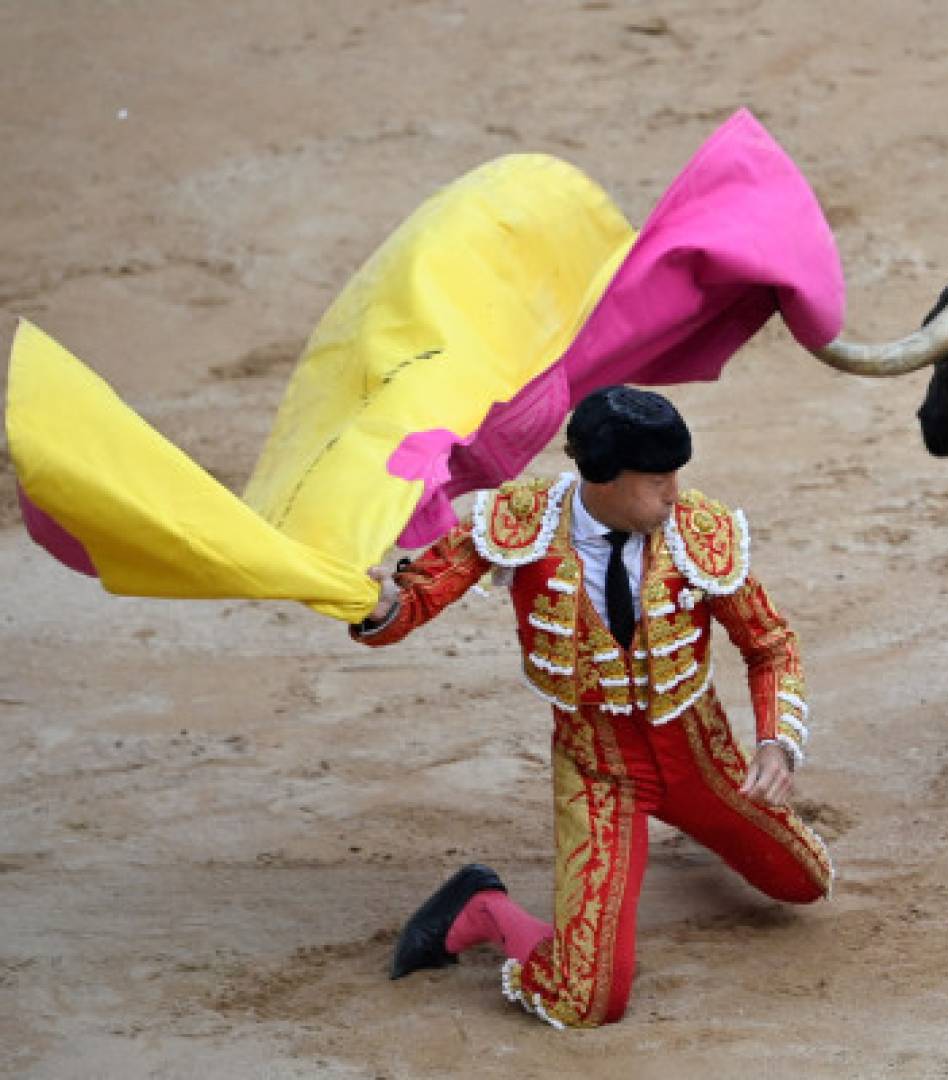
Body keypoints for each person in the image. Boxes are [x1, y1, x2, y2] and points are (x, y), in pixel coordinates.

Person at [353, 385, 828, 1029]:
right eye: (658, 479)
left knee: (805, 882)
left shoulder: (696, 529)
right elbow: (418, 595)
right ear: (603, 477)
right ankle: (482, 907)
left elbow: (769, 643)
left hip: (702, 757)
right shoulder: (523, 522)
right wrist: (383, 608)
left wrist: (776, 741)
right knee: (589, 1000)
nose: (674, 493)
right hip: (599, 770)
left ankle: (702, 830)